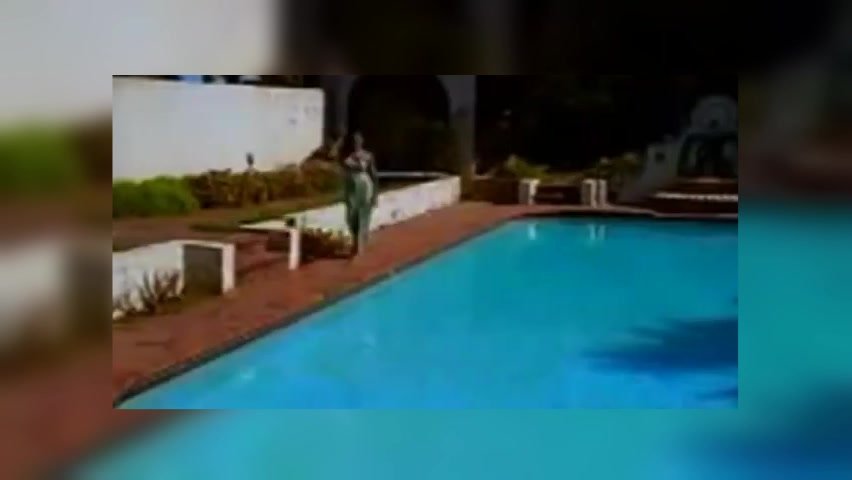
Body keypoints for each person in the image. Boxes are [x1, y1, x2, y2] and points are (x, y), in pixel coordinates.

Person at [340, 132, 379, 257]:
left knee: (363, 214)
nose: (356, 143)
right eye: (353, 141)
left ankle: (358, 244)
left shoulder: (367, 156)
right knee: (350, 216)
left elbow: (373, 175)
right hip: (351, 186)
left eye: (358, 140)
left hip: (364, 185)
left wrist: (375, 195)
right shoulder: (346, 156)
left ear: (362, 141)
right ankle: (356, 239)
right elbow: (343, 170)